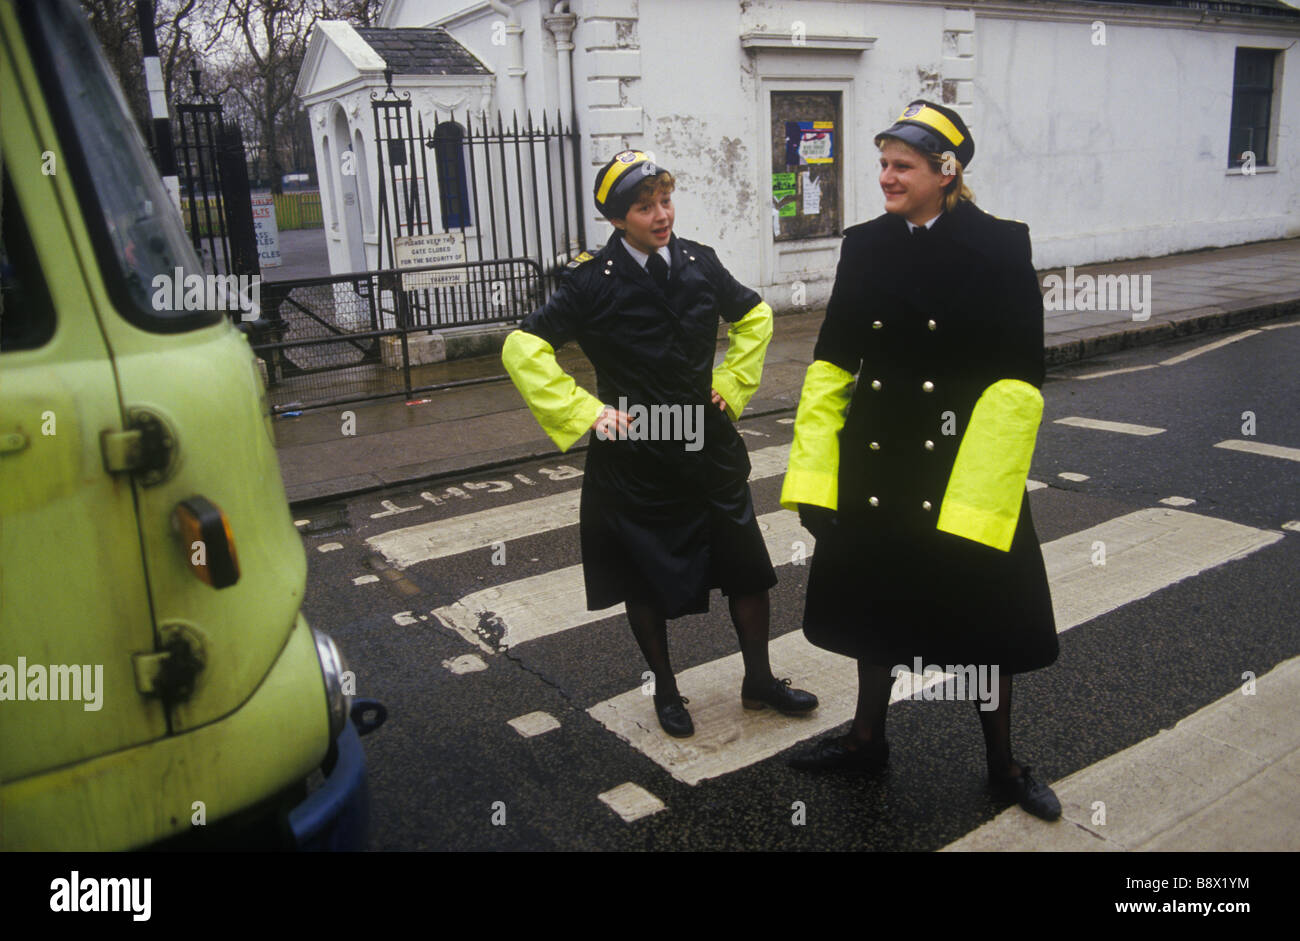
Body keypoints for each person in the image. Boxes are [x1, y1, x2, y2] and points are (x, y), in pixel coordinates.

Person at [780, 101, 1062, 820]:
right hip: (879, 463)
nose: (885, 177)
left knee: (985, 625)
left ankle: (1003, 764)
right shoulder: (867, 244)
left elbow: (1017, 380)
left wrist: (980, 500)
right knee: (874, 609)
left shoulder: (1000, 246)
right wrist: (815, 474)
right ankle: (866, 738)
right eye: (882, 163)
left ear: (947, 171)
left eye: (901, 166)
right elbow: (834, 361)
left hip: (964, 470)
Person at [502, 150, 818, 738]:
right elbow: (523, 346)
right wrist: (586, 412)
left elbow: (754, 315)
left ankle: (760, 680)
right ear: (619, 218)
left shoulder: (699, 262)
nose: (660, 215)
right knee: (643, 578)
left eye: (665, 201)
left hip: (707, 445)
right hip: (636, 457)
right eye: (645, 207)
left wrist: (731, 383)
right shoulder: (589, 279)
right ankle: (667, 691)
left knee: (747, 568)